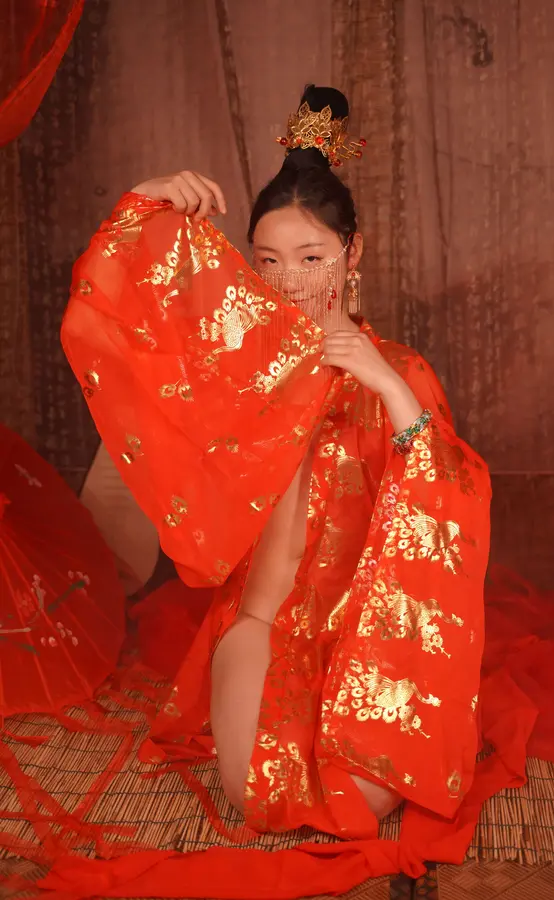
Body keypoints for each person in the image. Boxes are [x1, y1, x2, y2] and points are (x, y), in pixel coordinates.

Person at [62, 85, 491, 839]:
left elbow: (454, 504)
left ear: (354, 253)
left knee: (358, 803)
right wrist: (145, 202)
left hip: (368, 633)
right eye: (267, 262)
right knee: (263, 794)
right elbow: (113, 316)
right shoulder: (232, 367)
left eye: (311, 258)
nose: (290, 283)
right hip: (260, 623)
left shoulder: (400, 374)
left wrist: (390, 391)